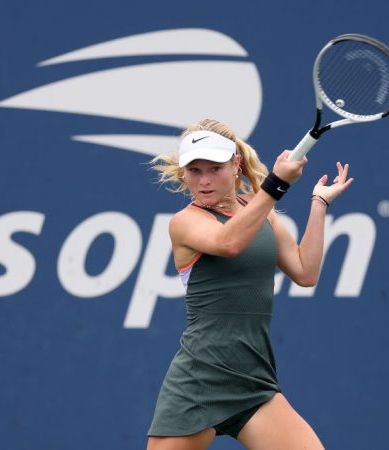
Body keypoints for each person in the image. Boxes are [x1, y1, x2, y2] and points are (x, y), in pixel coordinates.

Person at [146, 119, 354, 450]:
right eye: (195, 171)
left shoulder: (260, 211)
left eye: (214, 168)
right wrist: (276, 185)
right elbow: (228, 242)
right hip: (199, 378)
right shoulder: (185, 222)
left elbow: (305, 272)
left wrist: (319, 203)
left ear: (236, 164)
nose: (204, 180)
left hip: (253, 381)